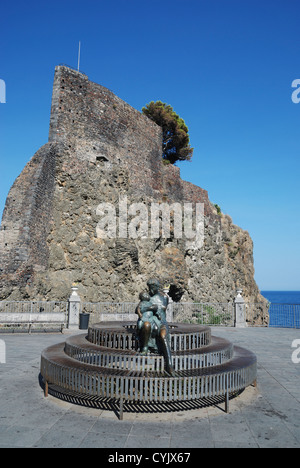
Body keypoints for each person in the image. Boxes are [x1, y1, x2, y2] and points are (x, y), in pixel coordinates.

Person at [136, 278, 175, 376]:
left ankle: (169, 365)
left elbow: (162, 310)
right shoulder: (146, 297)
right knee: (146, 325)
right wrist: (150, 308)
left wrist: (154, 309)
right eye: (149, 287)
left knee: (163, 336)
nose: (150, 290)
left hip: (161, 321)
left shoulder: (164, 297)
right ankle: (144, 348)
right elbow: (139, 308)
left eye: (152, 287)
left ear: (157, 287)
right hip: (150, 320)